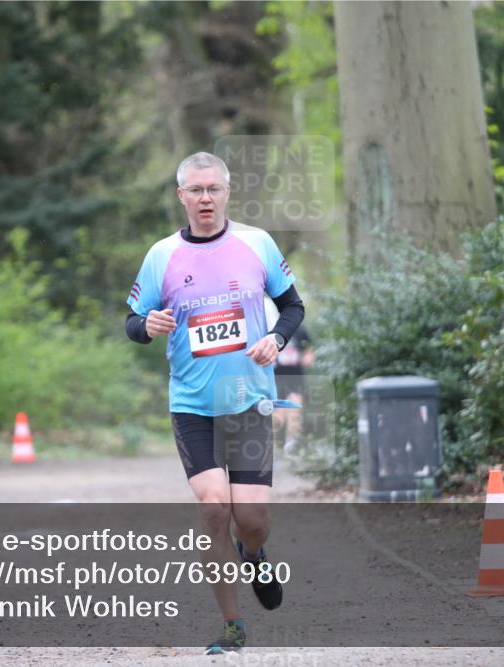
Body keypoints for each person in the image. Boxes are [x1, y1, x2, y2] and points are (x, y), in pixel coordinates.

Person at [125, 152, 304, 654]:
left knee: (252, 520)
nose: (205, 198)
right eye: (196, 190)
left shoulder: (257, 243)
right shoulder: (161, 255)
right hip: (192, 404)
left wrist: (276, 339)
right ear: (181, 196)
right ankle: (232, 625)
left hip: (248, 402)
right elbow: (133, 322)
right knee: (212, 508)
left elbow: (293, 306)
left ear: (227, 193)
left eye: (213, 189)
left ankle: (254, 552)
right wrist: (147, 325)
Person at [272, 323, 314, 455]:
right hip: (276, 378)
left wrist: (308, 357)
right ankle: (272, 446)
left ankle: (291, 444)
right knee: (278, 415)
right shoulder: (269, 326)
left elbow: (309, 350)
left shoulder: (299, 329)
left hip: (295, 376)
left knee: (295, 408)